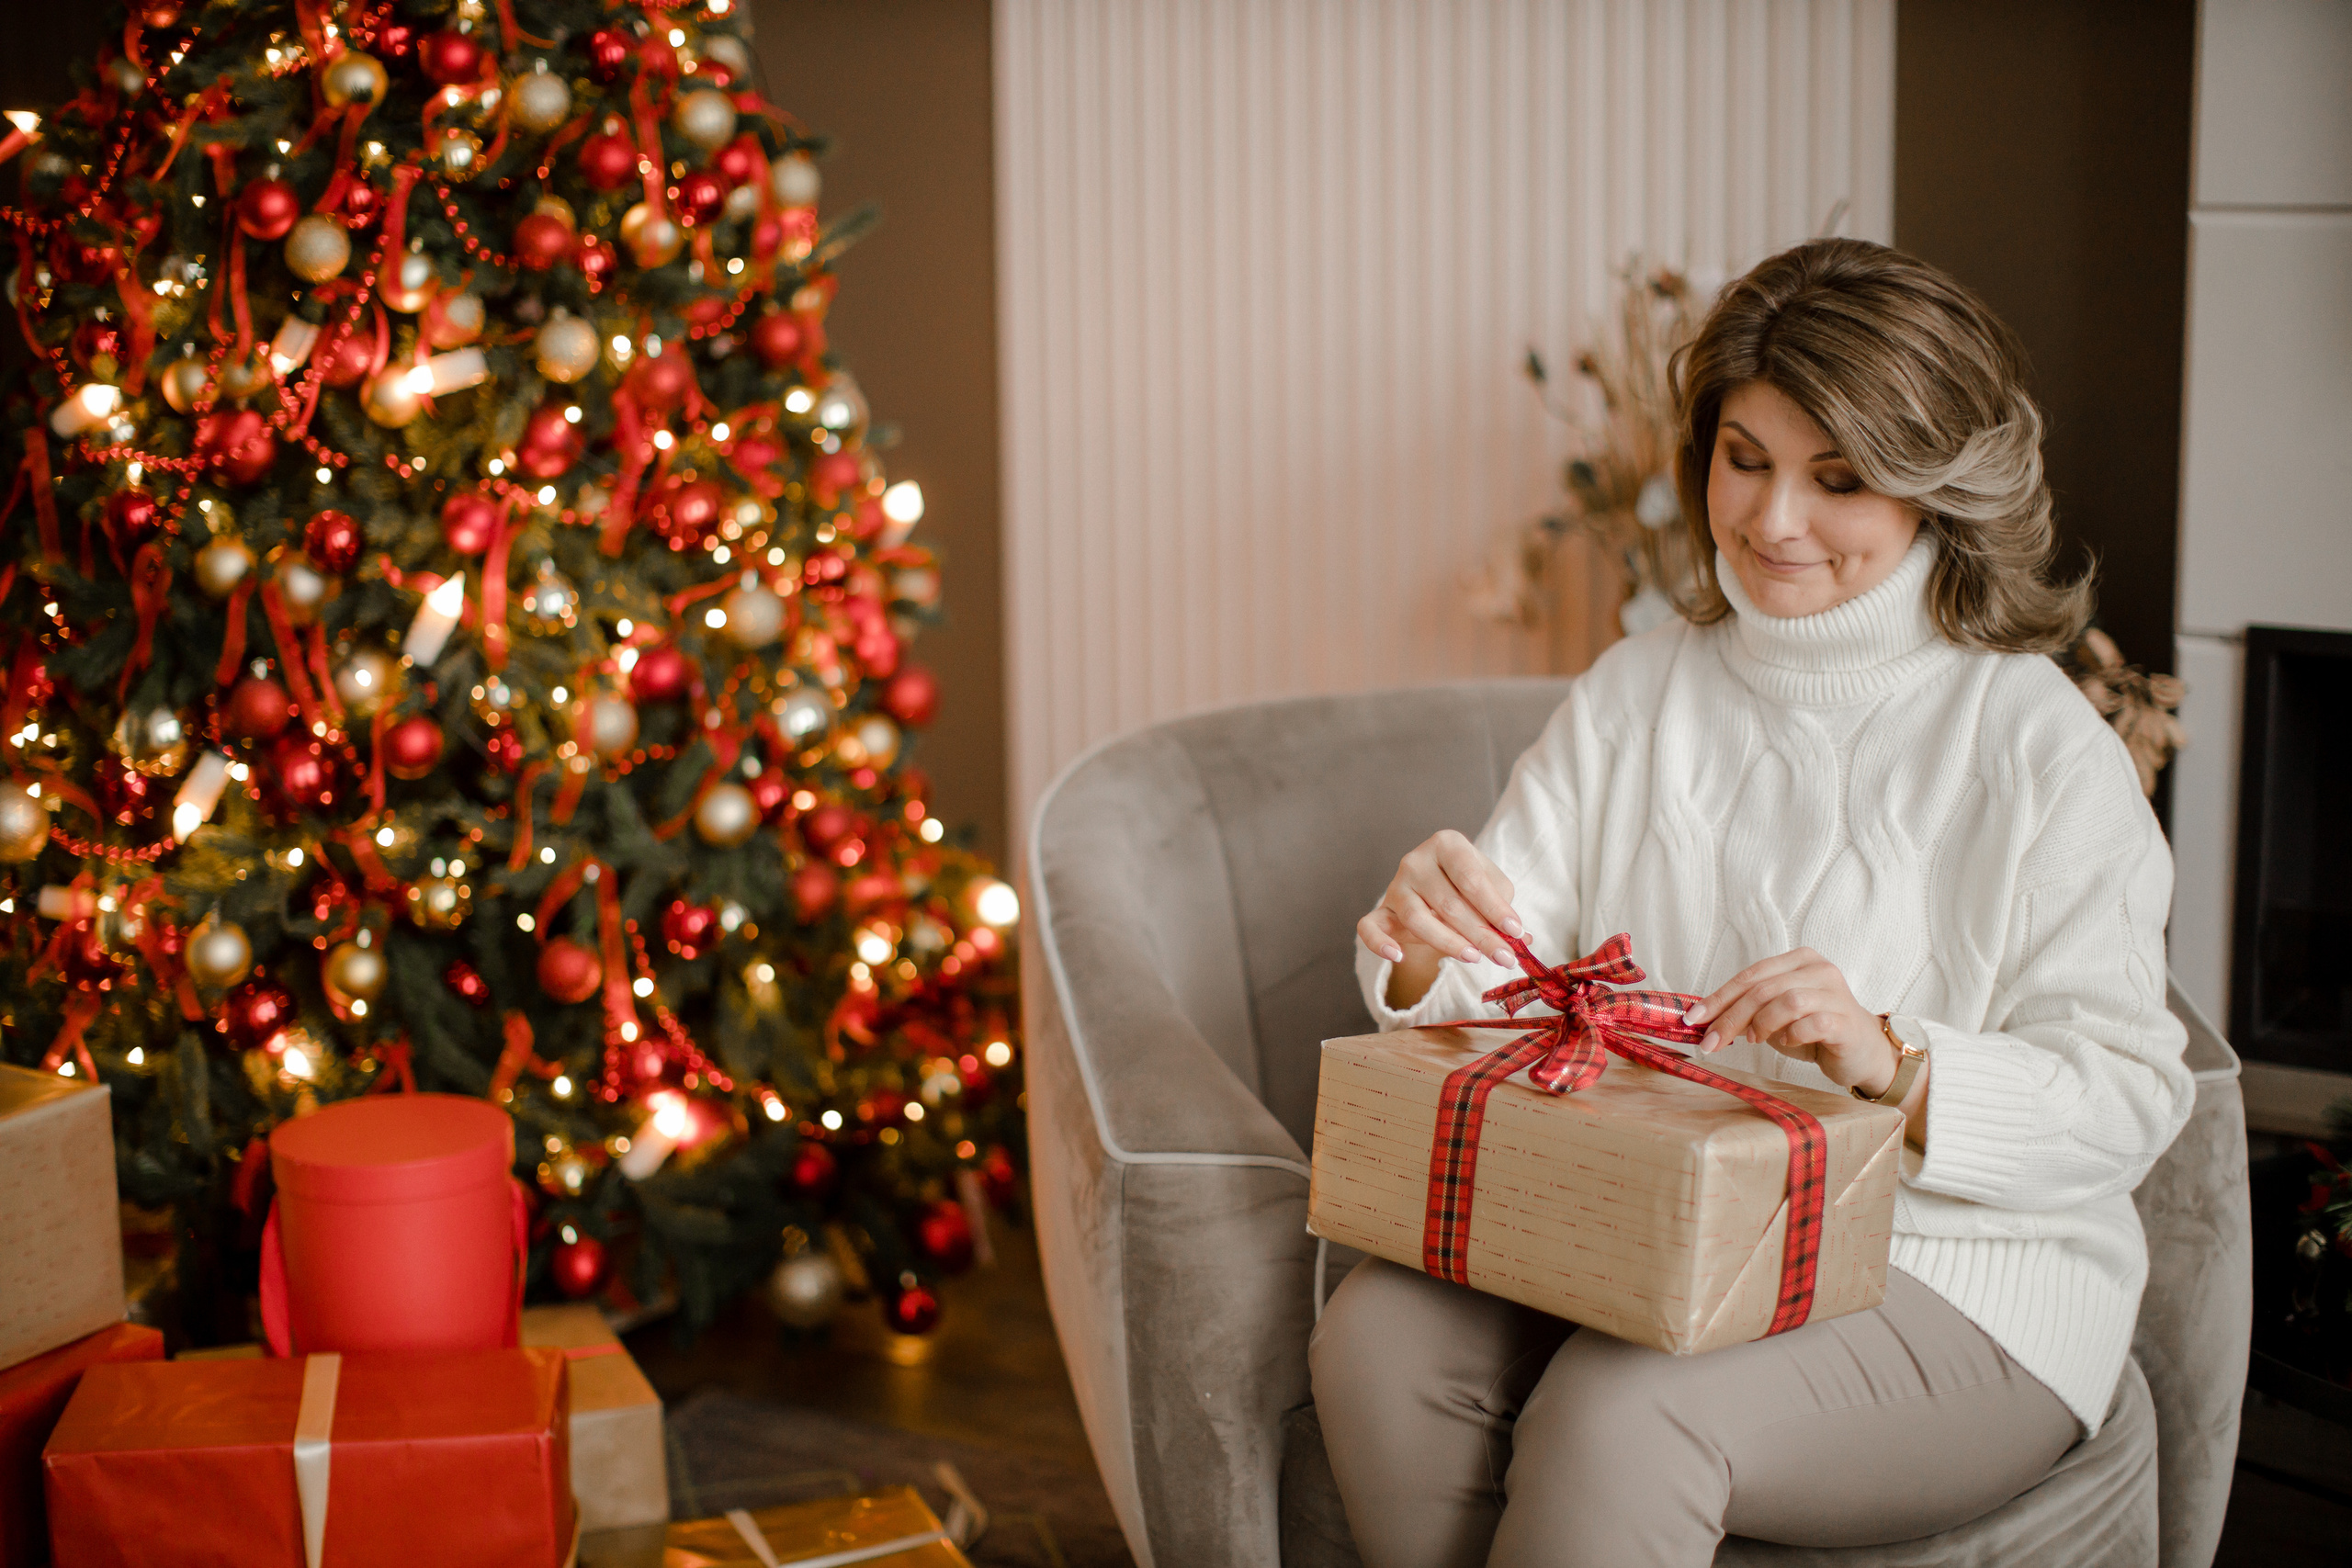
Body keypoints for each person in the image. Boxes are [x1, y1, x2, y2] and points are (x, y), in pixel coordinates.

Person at [1312, 237, 2193, 1567]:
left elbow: (2130, 1096)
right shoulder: (1639, 688)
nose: (1774, 520)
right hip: (1650, 1225)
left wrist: (1888, 1061)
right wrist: (1425, 948)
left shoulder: (2033, 737)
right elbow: (1502, 981)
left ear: (1933, 489)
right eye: (1747, 459)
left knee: (1627, 1419)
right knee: (1376, 1338)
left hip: (1966, 1284)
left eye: (1839, 479)